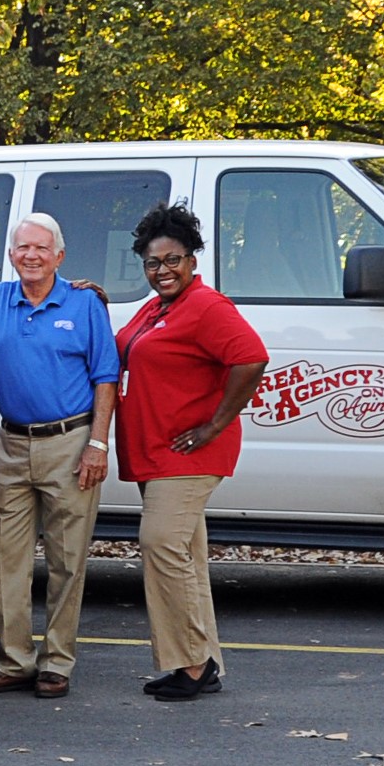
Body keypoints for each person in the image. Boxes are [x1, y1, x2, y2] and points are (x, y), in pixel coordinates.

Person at [113, 202, 269, 702]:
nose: (163, 271)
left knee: (160, 544)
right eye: (153, 263)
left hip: (188, 454)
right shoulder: (156, 307)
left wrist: (215, 424)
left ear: (193, 260)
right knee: (187, 557)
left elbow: (250, 358)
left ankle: (193, 665)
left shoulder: (207, 306)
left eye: (173, 260)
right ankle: (200, 661)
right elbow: (124, 348)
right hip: (156, 451)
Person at [0, 214, 120, 701]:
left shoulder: (84, 303)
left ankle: (56, 662)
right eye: (22, 247)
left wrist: (98, 443)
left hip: (70, 444)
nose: (31, 255)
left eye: (41, 248)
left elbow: (106, 377)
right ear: (11, 255)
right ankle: (14, 661)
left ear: (60, 256)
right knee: (5, 561)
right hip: (11, 445)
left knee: (67, 559)